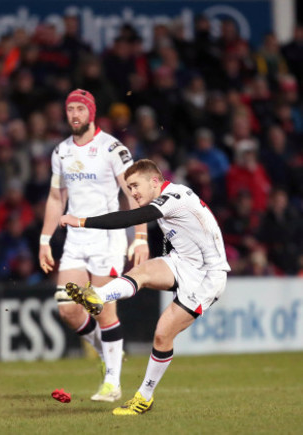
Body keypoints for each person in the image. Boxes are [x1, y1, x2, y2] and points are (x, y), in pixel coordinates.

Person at [60, 159, 230, 415]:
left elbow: (133, 217)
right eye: (128, 187)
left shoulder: (174, 196)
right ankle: (98, 296)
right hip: (183, 262)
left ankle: (144, 397)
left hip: (207, 276)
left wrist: (81, 221)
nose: (133, 192)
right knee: (143, 271)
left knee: (162, 334)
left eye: (136, 185)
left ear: (154, 181)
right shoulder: (168, 199)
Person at [39, 89, 149, 402]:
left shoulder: (112, 149)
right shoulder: (61, 152)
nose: (74, 114)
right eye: (70, 109)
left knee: (101, 308)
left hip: (107, 238)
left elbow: (133, 192)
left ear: (91, 112)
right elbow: (55, 197)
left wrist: (139, 237)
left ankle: (112, 383)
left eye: (79, 109)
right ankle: (108, 354)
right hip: (75, 239)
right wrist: (45, 239)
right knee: (69, 310)